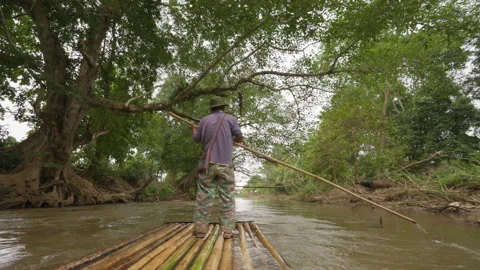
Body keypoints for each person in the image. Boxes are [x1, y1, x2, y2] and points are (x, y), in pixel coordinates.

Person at [191, 96, 243, 239]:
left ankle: (200, 230)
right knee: (227, 198)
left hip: (208, 165)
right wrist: (233, 140)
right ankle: (227, 231)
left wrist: (195, 130)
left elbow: (197, 139)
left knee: (204, 198)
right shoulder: (231, 119)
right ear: (223, 107)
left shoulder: (203, 121)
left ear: (211, 108)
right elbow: (240, 137)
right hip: (225, 165)